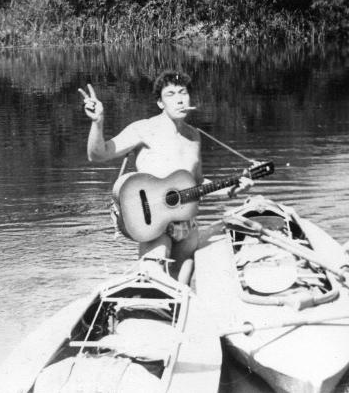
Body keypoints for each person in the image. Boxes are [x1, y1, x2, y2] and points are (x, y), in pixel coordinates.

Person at [79, 70, 248, 282]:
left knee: (182, 285)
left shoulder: (194, 137)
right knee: (154, 277)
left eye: (183, 92)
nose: (179, 99)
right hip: (153, 223)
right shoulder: (144, 129)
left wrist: (232, 188)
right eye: (170, 94)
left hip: (187, 224)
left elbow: (195, 184)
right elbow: (98, 154)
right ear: (160, 103)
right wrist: (98, 121)